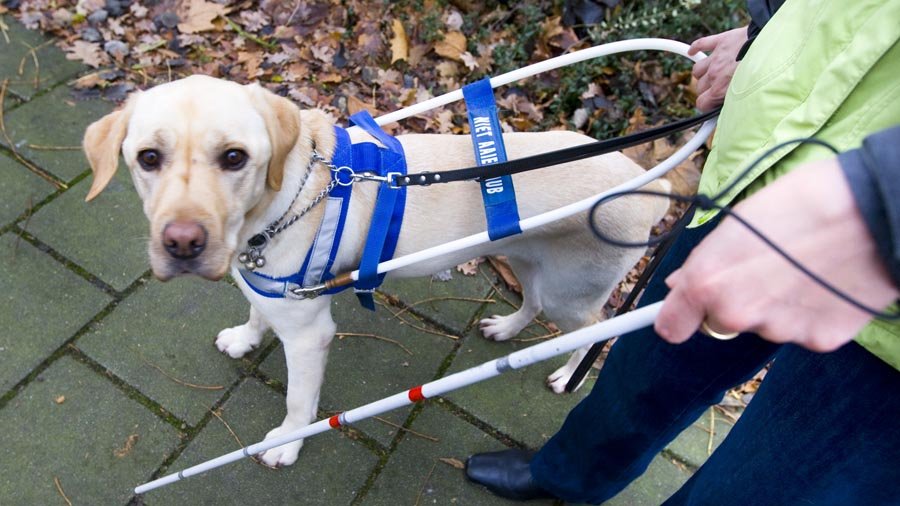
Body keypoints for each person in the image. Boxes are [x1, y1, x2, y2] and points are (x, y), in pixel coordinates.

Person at [465, 0, 900, 504]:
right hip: (760, 171)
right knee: (647, 370)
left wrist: (878, 204)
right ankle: (569, 472)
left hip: (882, 314)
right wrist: (769, 28)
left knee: (774, 483)